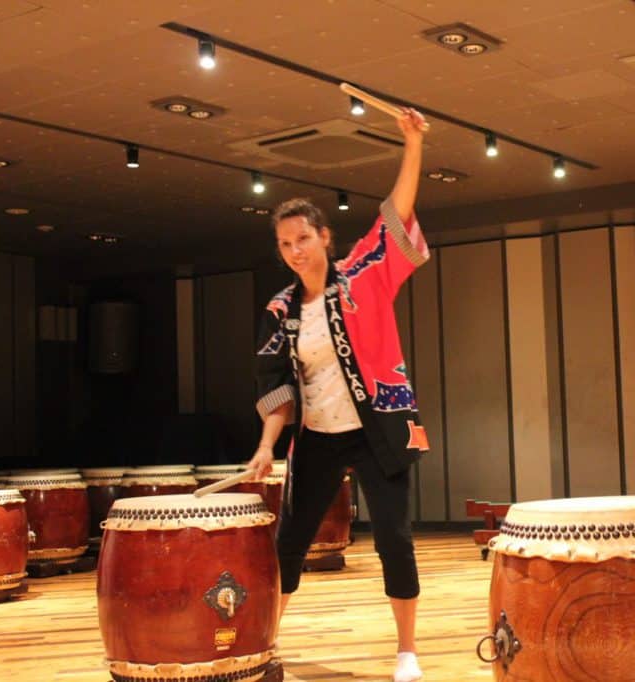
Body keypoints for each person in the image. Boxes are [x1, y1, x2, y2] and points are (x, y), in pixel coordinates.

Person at [249, 107, 430, 682]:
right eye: (284, 244)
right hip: (320, 437)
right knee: (288, 545)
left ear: (325, 237)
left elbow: (395, 212)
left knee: (395, 542)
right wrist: (266, 446)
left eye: (303, 238)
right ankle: (265, 644)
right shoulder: (281, 309)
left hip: (380, 431)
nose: (295, 250)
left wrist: (411, 143)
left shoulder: (365, 275)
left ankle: (407, 652)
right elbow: (276, 383)